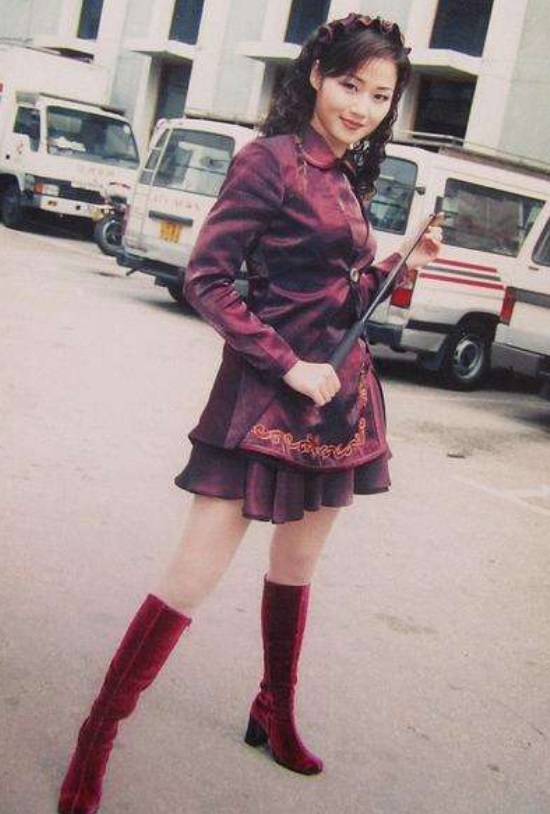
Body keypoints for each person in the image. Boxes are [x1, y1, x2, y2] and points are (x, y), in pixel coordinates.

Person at [58, 12, 442, 814]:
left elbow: (330, 290)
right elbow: (207, 278)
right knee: (189, 578)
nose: (362, 107)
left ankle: (274, 711)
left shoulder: (345, 171)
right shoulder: (269, 161)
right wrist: (287, 364)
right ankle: (96, 737)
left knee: (296, 569)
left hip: (336, 407)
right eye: (350, 85)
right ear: (316, 76)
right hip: (265, 395)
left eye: (380, 96)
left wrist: (401, 264)